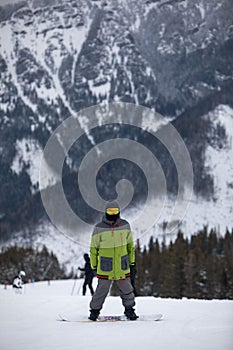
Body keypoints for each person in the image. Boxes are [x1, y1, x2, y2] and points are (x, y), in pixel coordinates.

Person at [89, 200, 138, 321]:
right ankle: (94, 311)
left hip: (122, 265)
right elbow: (94, 249)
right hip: (106, 266)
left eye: (115, 211)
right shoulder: (99, 228)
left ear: (119, 212)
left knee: (127, 290)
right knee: (101, 291)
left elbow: (130, 246)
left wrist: (132, 263)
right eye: (110, 211)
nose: (112, 213)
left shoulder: (125, 225)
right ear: (105, 212)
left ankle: (129, 310)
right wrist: (94, 265)